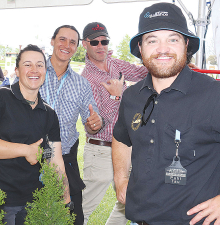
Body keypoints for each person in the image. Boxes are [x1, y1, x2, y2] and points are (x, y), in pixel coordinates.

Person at [112, 2, 220, 225]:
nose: (162, 48)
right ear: (141, 48)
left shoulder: (217, 96)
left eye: (172, 39)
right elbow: (121, 137)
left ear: (186, 45)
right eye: (152, 40)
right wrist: (120, 177)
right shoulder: (132, 96)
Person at [0, 44, 71, 224]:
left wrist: (66, 201)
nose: (35, 70)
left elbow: (56, 160)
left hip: (34, 202)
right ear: (16, 70)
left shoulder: (49, 114)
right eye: (28, 64)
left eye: (40, 65)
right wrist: (25, 150)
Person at [80, 22, 148, 225]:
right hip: (101, 150)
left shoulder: (117, 65)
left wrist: (172, 64)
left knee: (130, 202)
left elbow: (143, 73)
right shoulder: (86, 79)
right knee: (83, 209)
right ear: (85, 44)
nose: (101, 46)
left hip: (126, 149)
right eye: (95, 42)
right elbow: (95, 125)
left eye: (105, 41)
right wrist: (116, 98)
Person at [39, 25, 103, 225]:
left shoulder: (81, 84)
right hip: (31, 157)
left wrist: (95, 123)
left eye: (72, 42)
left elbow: (91, 122)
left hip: (65, 159)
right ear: (52, 41)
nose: (67, 45)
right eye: (62, 39)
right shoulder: (34, 72)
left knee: (73, 218)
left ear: (77, 47)